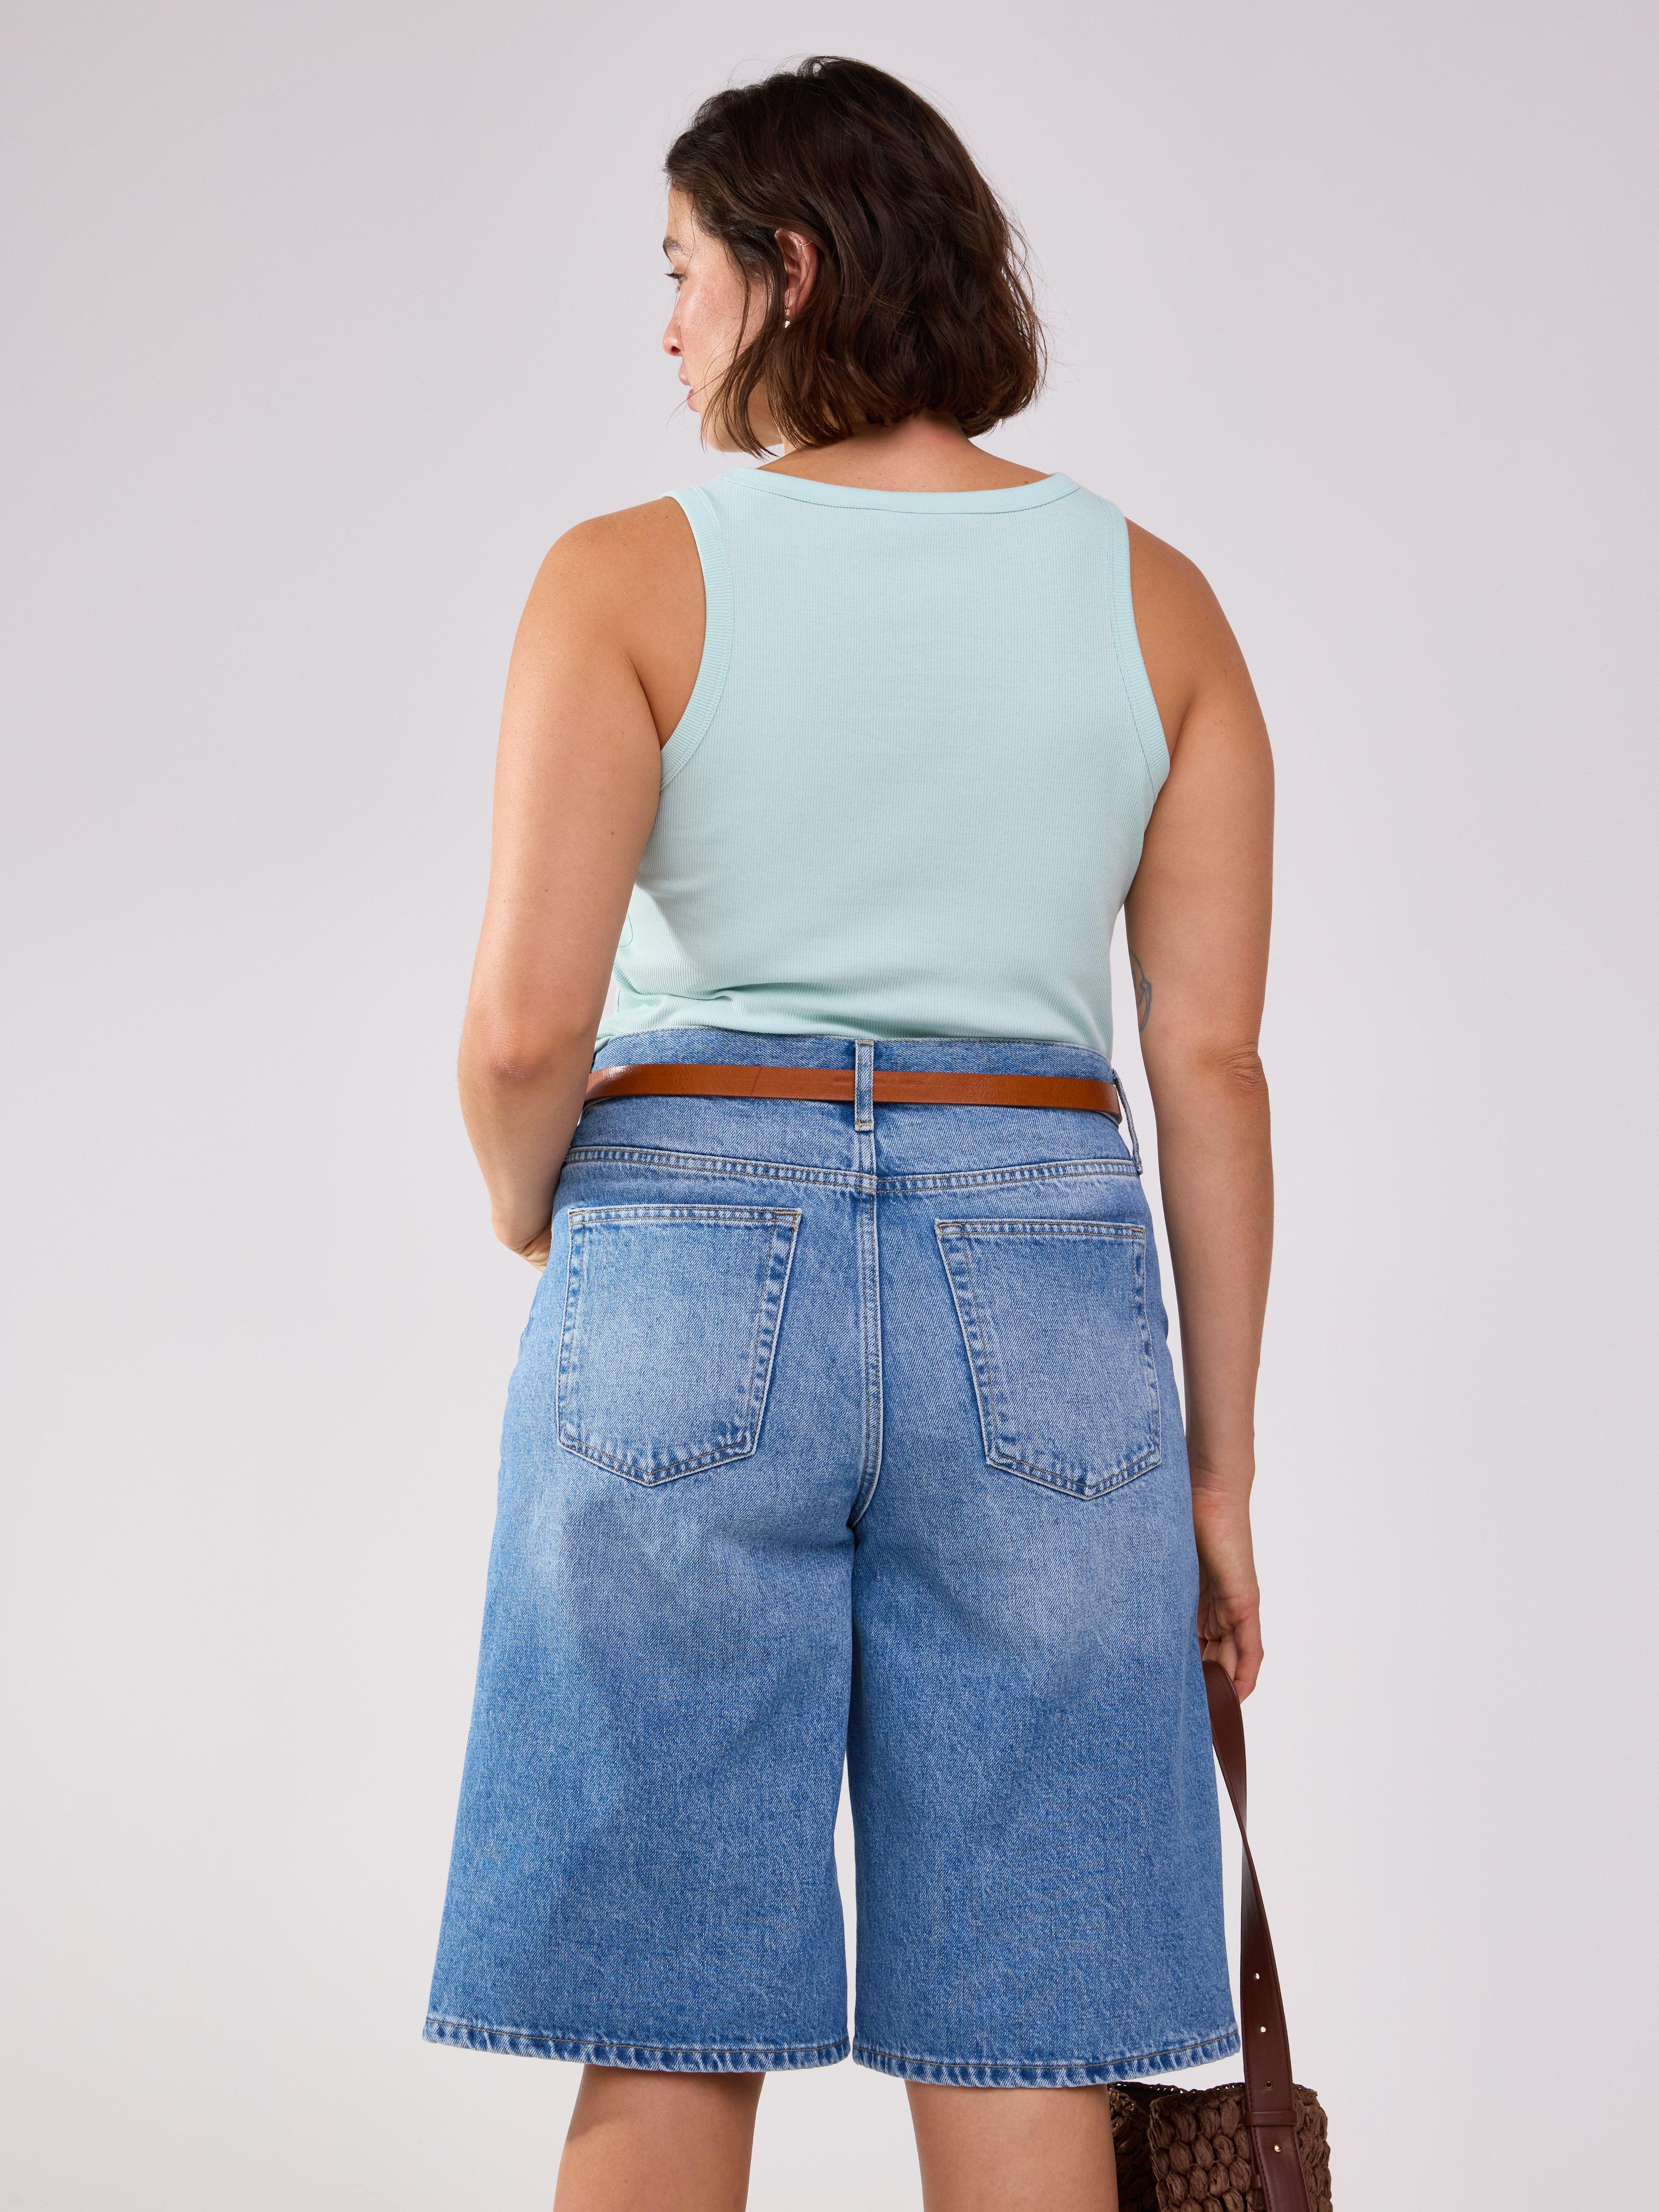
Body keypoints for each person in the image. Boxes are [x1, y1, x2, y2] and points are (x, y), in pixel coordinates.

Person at [425, 54, 1273, 2212]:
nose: (667, 329)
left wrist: (536, 1214)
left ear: (786, 271)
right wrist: (1221, 1477)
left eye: (680, 273)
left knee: (662, 2018)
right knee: (1028, 2028)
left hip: (683, 1259)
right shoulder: (1158, 603)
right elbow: (1207, 1069)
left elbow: (524, 1035)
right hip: (1048, 1289)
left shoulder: (627, 578)